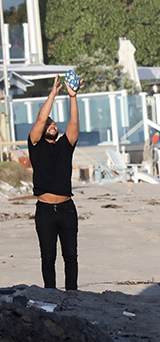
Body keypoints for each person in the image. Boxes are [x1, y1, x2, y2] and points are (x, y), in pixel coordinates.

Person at [28, 74, 82, 290]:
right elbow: (41, 119)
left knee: (71, 256)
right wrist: (52, 94)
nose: (51, 125)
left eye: (54, 124)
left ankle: (72, 295)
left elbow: (74, 122)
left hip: (67, 209)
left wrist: (72, 97)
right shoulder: (35, 144)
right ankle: (50, 294)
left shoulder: (65, 144)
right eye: (48, 124)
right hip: (45, 211)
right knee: (48, 257)